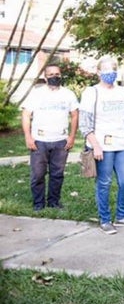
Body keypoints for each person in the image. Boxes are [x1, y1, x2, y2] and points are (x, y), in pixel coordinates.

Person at [79, 56, 124, 234]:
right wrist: (95, 146)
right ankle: (105, 220)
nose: (110, 73)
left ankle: (121, 216)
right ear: (98, 72)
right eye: (106, 70)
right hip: (102, 146)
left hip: (121, 144)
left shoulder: (122, 92)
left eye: (113, 69)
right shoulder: (91, 92)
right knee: (104, 183)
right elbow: (85, 124)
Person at [22, 64, 79, 211]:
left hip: (61, 141)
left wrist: (72, 137)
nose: (55, 77)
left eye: (57, 74)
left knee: (57, 174)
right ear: (45, 77)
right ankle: (38, 204)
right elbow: (26, 115)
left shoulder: (68, 94)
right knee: (38, 175)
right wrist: (28, 137)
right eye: (51, 74)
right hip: (39, 141)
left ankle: (54, 202)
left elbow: (75, 115)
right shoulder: (36, 93)